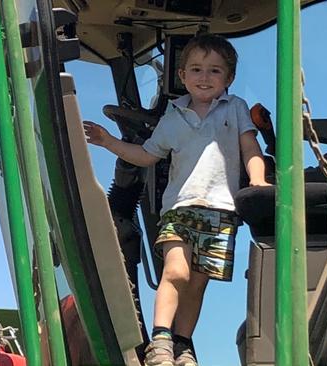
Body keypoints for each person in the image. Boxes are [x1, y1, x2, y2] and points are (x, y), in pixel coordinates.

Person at [84, 33, 269, 366]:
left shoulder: (236, 107)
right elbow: (144, 155)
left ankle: (183, 345)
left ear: (229, 79)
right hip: (180, 208)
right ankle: (161, 341)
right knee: (177, 272)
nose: (204, 77)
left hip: (221, 211)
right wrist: (108, 141)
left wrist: (257, 179)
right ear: (182, 76)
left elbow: (249, 148)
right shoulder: (172, 118)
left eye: (214, 71)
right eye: (196, 69)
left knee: (197, 283)